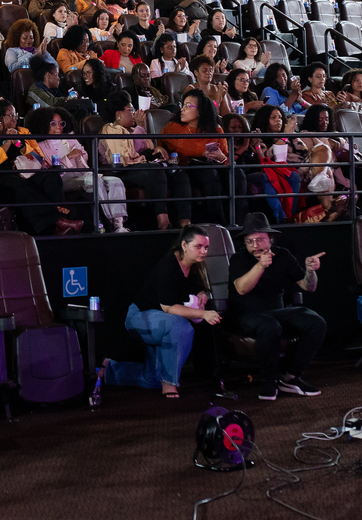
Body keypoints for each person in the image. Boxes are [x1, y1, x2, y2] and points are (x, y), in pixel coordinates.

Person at [100, 226, 221, 397]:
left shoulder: (195, 266)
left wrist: (202, 294)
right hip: (140, 318)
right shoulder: (169, 265)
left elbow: (199, 287)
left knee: (152, 379)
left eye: (206, 247)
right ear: (184, 245)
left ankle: (109, 370)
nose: (203, 251)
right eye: (198, 246)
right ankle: (169, 383)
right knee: (181, 327)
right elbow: (169, 308)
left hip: (162, 323)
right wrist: (203, 314)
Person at [228, 213, 326, 400]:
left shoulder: (283, 255)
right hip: (245, 315)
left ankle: (291, 376)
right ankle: (270, 380)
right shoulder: (239, 259)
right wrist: (261, 266)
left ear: (270, 239)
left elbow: (308, 287)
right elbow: (241, 289)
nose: (255, 245)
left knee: (315, 321)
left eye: (260, 240)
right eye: (250, 241)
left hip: (276, 311)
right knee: (269, 325)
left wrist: (311, 271)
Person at [0, 99, 84, 236]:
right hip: (0, 176)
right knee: (18, 184)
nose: (15, 119)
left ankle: (61, 221)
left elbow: (39, 157)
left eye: (16, 115)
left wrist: (19, 144)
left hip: (26, 172)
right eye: (11, 116)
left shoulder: (23, 132)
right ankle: (57, 222)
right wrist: (7, 143)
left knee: (51, 176)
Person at [28, 106, 128, 232]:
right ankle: (109, 222)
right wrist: (68, 157)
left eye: (61, 123)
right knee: (94, 181)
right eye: (53, 124)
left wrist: (79, 155)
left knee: (115, 182)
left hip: (81, 174)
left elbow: (83, 154)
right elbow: (48, 170)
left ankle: (119, 225)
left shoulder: (70, 139)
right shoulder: (39, 147)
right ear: (44, 125)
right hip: (62, 180)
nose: (59, 127)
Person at [100, 91, 189, 230]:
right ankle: (163, 221)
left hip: (142, 167)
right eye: (131, 110)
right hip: (123, 171)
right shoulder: (110, 129)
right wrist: (140, 127)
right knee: (156, 171)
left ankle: (185, 221)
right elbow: (128, 155)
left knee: (179, 174)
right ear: (119, 114)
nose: (134, 113)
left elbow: (148, 148)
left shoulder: (132, 129)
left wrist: (157, 149)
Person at [161, 89, 247, 226]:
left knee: (238, 173)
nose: (182, 109)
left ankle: (239, 222)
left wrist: (221, 158)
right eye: (183, 105)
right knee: (209, 173)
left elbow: (226, 159)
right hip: (188, 169)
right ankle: (219, 223)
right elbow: (160, 147)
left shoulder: (216, 129)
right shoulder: (173, 127)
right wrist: (159, 148)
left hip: (213, 165)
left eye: (188, 106)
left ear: (200, 111)